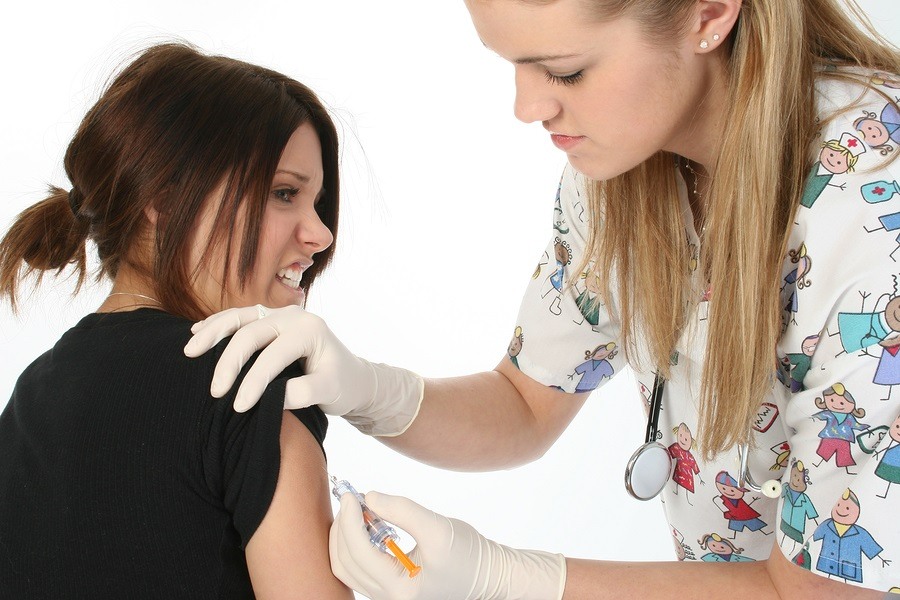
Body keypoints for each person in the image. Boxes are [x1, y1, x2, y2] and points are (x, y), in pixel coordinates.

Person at [184, 0, 900, 597]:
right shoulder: (620, 174)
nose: (528, 106)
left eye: (566, 70)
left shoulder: (873, 195)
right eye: (512, 64)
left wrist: (508, 579)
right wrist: (370, 391)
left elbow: (822, 591)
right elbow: (526, 404)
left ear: (707, 14)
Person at [0, 42, 351, 599]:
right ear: (163, 196)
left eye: (317, 202)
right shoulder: (249, 387)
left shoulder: (29, 398)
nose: (321, 234)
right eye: (284, 193)